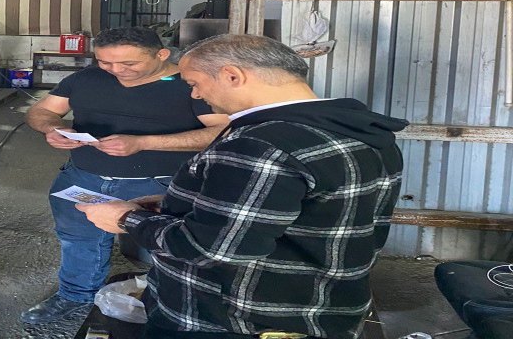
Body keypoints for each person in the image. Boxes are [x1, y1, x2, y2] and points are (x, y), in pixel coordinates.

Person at [78, 34, 406, 339]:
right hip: (320, 307)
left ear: (232, 76)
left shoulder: (260, 145)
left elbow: (212, 249)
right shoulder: (360, 131)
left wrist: (126, 219)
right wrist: (182, 201)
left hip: (232, 320)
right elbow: (298, 206)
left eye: (194, 83)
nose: (195, 95)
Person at [21, 26, 228, 324]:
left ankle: (174, 303)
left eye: (129, 63)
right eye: (105, 62)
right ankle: (75, 295)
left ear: (162, 54)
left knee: (170, 247)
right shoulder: (85, 79)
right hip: (83, 178)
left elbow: (222, 131)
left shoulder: (191, 85)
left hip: (160, 185)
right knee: (79, 239)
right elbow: (41, 111)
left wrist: (144, 143)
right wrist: (52, 128)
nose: (116, 70)